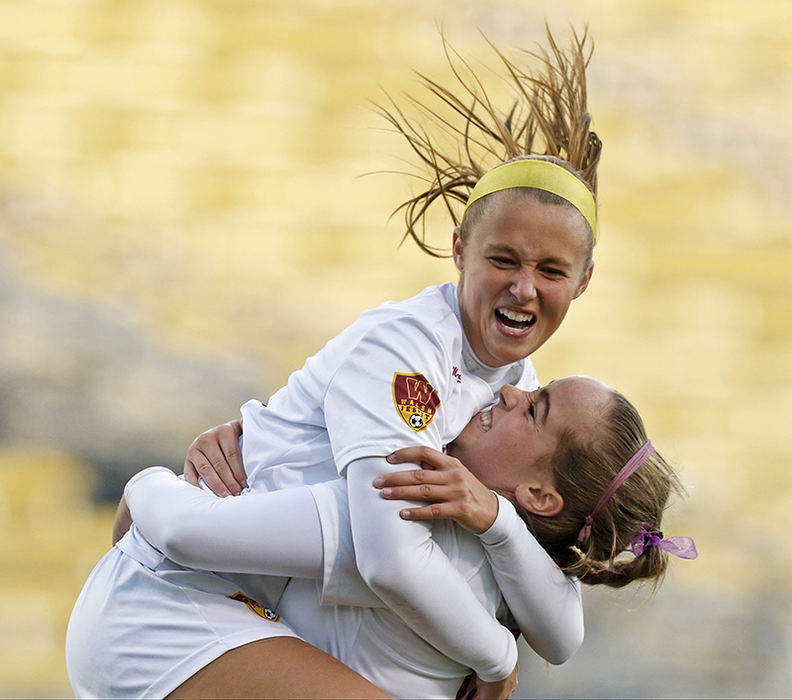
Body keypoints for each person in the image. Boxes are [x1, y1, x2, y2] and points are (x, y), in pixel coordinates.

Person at [68, 27, 607, 699]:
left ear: (582, 283)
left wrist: (497, 529)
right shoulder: (407, 355)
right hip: (178, 607)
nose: (524, 287)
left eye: (550, 270)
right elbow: (387, 557)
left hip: (257, 608)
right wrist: (497, 659)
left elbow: (559, 622)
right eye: (504, 259)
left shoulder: (518, 402)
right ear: (459, 249)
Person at [71, 378, 696, 700]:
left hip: (147, 640)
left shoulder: (406, 516)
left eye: (534, 408)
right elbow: (563, 635)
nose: (509, 390)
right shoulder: (515, 578)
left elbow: (177, 528)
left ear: (539, 497)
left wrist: (147, 480)